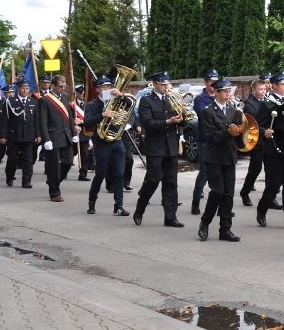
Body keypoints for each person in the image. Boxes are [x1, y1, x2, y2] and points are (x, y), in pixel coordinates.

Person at [133, 72, 185, 228]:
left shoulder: (172, 100)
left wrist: (183, 116)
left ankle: (170, 217)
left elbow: (181, 123)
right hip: (155, 146)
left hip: (171, 146)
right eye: (162, 84)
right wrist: (169, 121)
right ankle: (140, 208)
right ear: (154, 84)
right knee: (153, 179)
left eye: (167, 84)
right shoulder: (146, 101)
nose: (166, 87)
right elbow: (148, 124)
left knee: (171, 183)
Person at [197, 78, 242, 243]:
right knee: (217, 192)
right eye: (224, 91)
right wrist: (228, 133)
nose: (228, 94)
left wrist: (239, 134)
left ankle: (225, 229)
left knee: (228, 194)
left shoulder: (233, 110)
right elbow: (211, 137)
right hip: (214, 157)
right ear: (216, 92)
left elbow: (238, 134)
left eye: (229, 91)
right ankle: (205, 222)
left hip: (229, 156)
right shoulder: (208, 111)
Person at [256, 72, 284, 230]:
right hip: (273, 150)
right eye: (282, 84)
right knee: (274, 185)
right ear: (273, 85)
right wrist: (264, 132)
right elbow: (257, 126)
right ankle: (262, 209)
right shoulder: (267, 104)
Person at [85, 76, 130, 216]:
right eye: (104, 87)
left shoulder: (117, 100)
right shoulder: (92, 105)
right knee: (100, 174)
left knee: (119, 174)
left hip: (117, 141)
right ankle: (91, 202)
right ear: (98, 89)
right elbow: (87, 122)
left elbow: (130, 106)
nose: (107, 89)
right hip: (102, 143)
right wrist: (102, 115)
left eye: (109, 86)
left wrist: (121, 96)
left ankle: (119, 205)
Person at [37, 75, 81, 202]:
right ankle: (55, 192)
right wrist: (46, 139)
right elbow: (42, 121)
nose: (63, 88)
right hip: (53, 136)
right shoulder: (45, 100)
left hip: (66, 134)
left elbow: (70, 117)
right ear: (54, 86)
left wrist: (73, 133)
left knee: (68, 162)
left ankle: (53, 181)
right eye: (61, 86)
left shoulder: (65, 96)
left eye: (64, 86)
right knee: (54, 166)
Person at [0, 80, 40, 188]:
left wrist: (38, 134)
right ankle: (9, 177)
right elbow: (4, 120)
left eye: (26, 88)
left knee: (28, 159)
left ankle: (26, 181)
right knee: (12, 158)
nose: (25, 90)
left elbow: (37, 120)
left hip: (28, 135)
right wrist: (2, 136)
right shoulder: (10, 101)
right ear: (18, 89)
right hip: (13, 135)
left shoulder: (34, 102)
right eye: (22, 88)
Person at [191, 69, 219, 215]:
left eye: (216, 82)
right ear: (206, 83)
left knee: (220, 173)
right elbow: (206, 115)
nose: (214, 85)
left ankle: (221, 207)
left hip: (220, 139)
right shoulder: (200, 99)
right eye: (212, 82)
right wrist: (218, 103)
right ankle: (195, 201)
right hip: (205, 140)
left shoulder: (222, 97)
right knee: (204, 173)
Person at [239, 79, 271, 207]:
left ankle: (269, 197)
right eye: (260, 89)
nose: (263, 92)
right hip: (256, 140)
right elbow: (255, 120)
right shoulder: (249, 104)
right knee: (255, 169)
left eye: (264, 89)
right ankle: (245, 192)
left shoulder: (268, 102)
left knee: (270, 170)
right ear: (254, 90)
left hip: (268, 139)